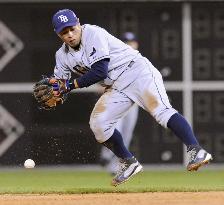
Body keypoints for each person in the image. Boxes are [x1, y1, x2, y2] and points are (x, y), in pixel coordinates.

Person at [49, 9, 212, 186]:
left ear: (78, 23)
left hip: (137, 72)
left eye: (72, 28)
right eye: (64, 32)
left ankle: (196, 150)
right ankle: (128, 162)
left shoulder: (93, 33)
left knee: (161, 112)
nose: (70, 34)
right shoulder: (62, 56)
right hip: (116, 86)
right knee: (99, 125)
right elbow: (60, 84)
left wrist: (70, 86)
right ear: (58, 34)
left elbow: (99, 71)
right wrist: (55, 93)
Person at [100, 32, 139, 175]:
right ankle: (106, 154)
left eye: (132, 41)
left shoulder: (139, 61)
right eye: (126, 42)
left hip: (132, 103)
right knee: (116, 129)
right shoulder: (113, 59)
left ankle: (115, 166)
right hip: (116, 100)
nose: (130, 44)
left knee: (127, 134)